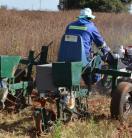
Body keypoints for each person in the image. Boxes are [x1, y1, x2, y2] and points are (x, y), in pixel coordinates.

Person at [64, 8, 115, 84]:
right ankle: (95, 82)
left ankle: (88, 81)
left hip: (66, 56)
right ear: (89, 18)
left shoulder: (70, 26)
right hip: (82, 58)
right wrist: (106, 51)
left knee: (88, 59)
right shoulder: (91, 27)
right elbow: (100, 43)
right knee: (97, 59)